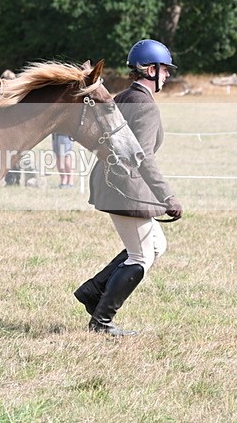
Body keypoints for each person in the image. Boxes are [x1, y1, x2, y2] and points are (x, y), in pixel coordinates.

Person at [75, 39, 183, 336]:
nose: (168, 75)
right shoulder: (145, 106)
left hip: (111, 181)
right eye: (165, 70)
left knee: (157, 245)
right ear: (151, 70)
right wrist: (167, 196)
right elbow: (142, 156)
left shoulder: (122, 96)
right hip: (126, 186)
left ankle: (93, 291)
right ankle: (102, 320)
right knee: (141, 256)